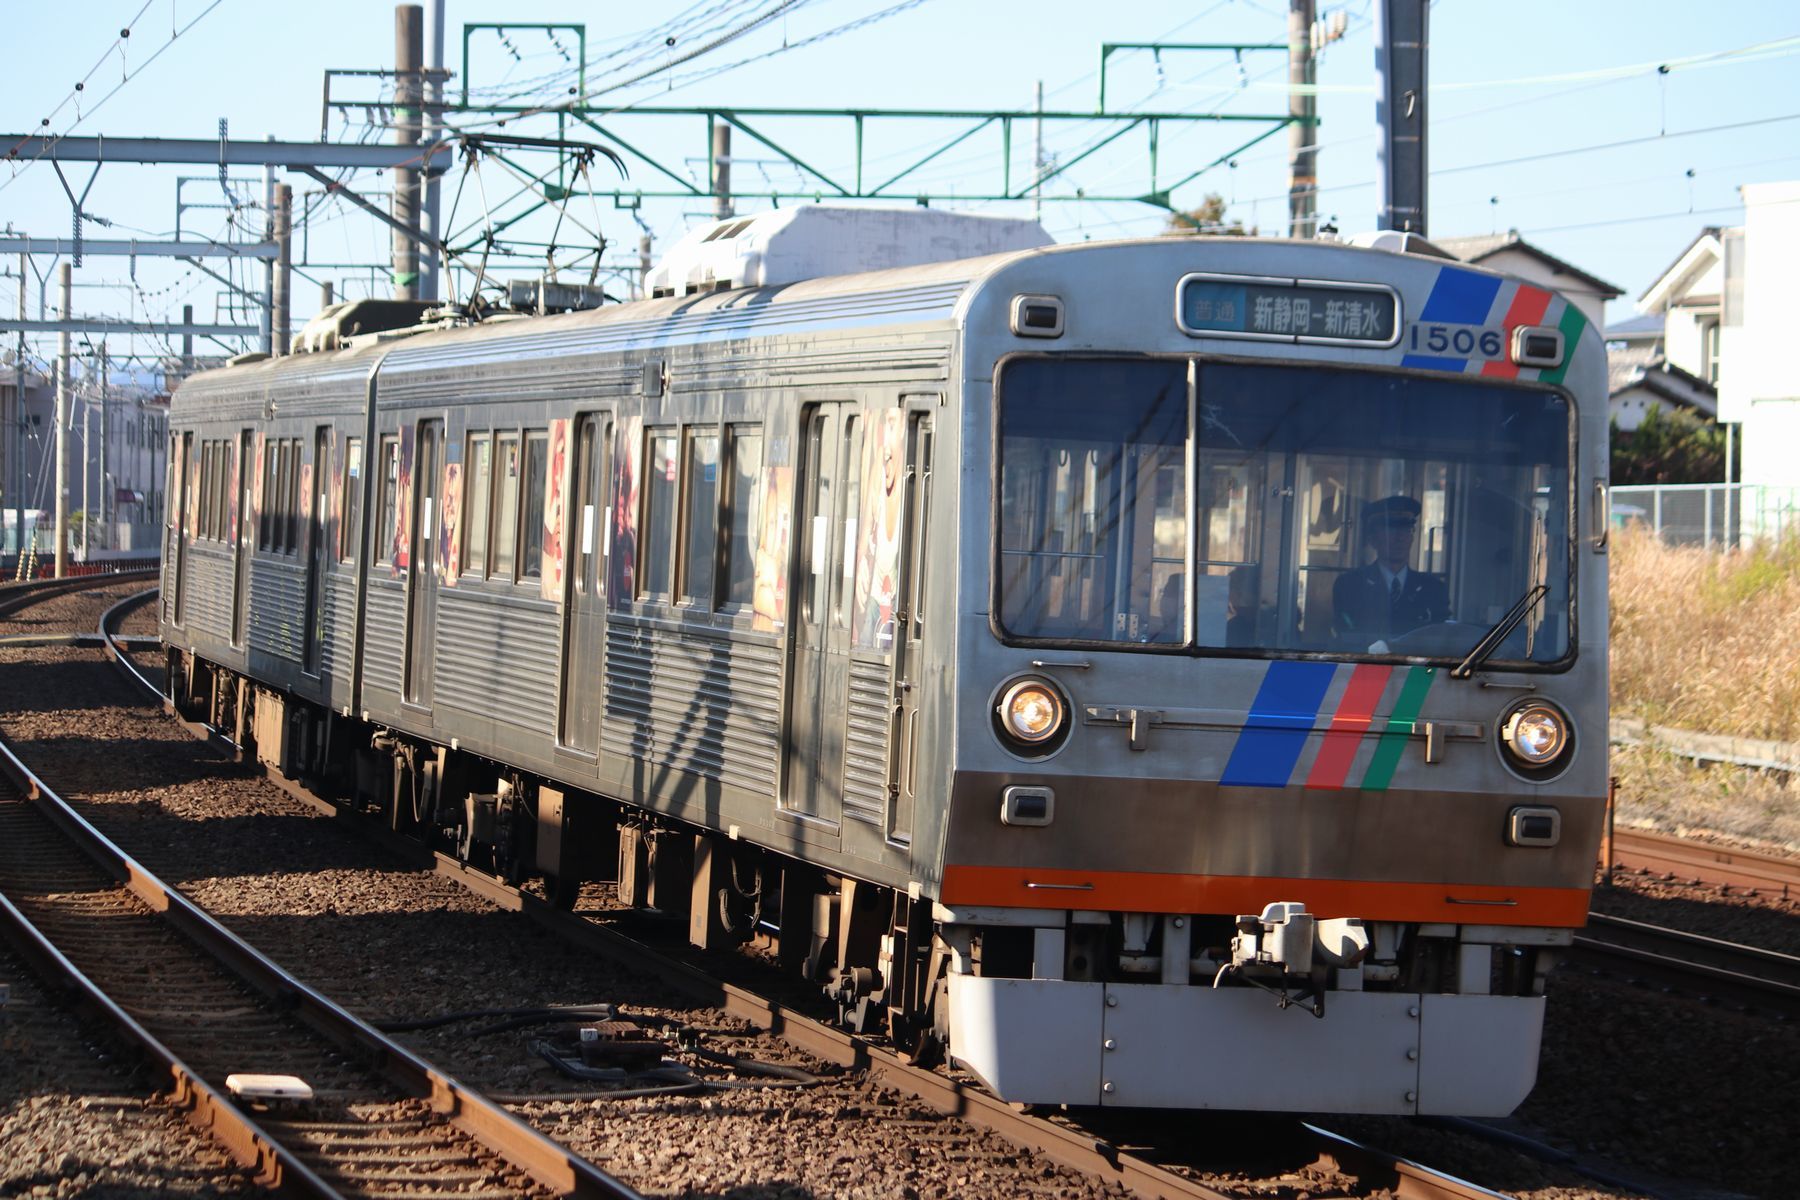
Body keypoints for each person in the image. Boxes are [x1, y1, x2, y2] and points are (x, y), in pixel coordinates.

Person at [1332, 495, 1449, 643]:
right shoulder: (1349, 585)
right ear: (1373, 540)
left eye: (1406, 530)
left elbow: (1440, 639)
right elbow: (1347, 633)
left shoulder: (1433, 588)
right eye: (1391, 530)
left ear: (1412, 537)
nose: (1399, 538)